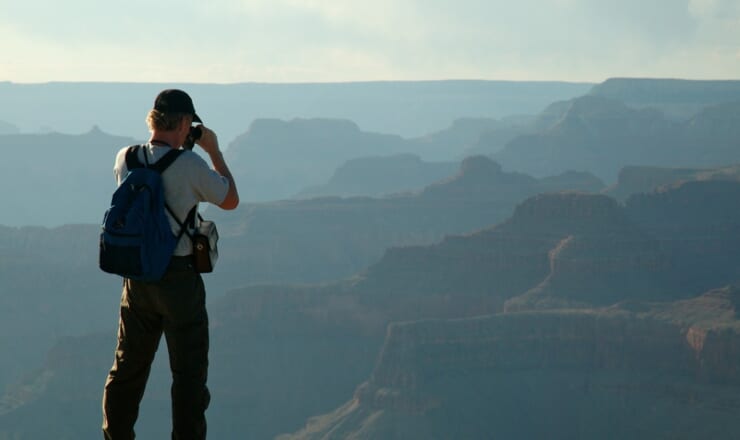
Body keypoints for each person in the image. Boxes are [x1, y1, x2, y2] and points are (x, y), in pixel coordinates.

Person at [102, 89, 239, 439]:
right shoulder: (192, 165)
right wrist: (214, 151)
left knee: (128, 369)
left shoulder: (125, 158)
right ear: (181, 122)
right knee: (188, 376)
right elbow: (230, 199)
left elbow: (157, 176)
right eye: (190, 124)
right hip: (178, 280)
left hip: (137, 280)